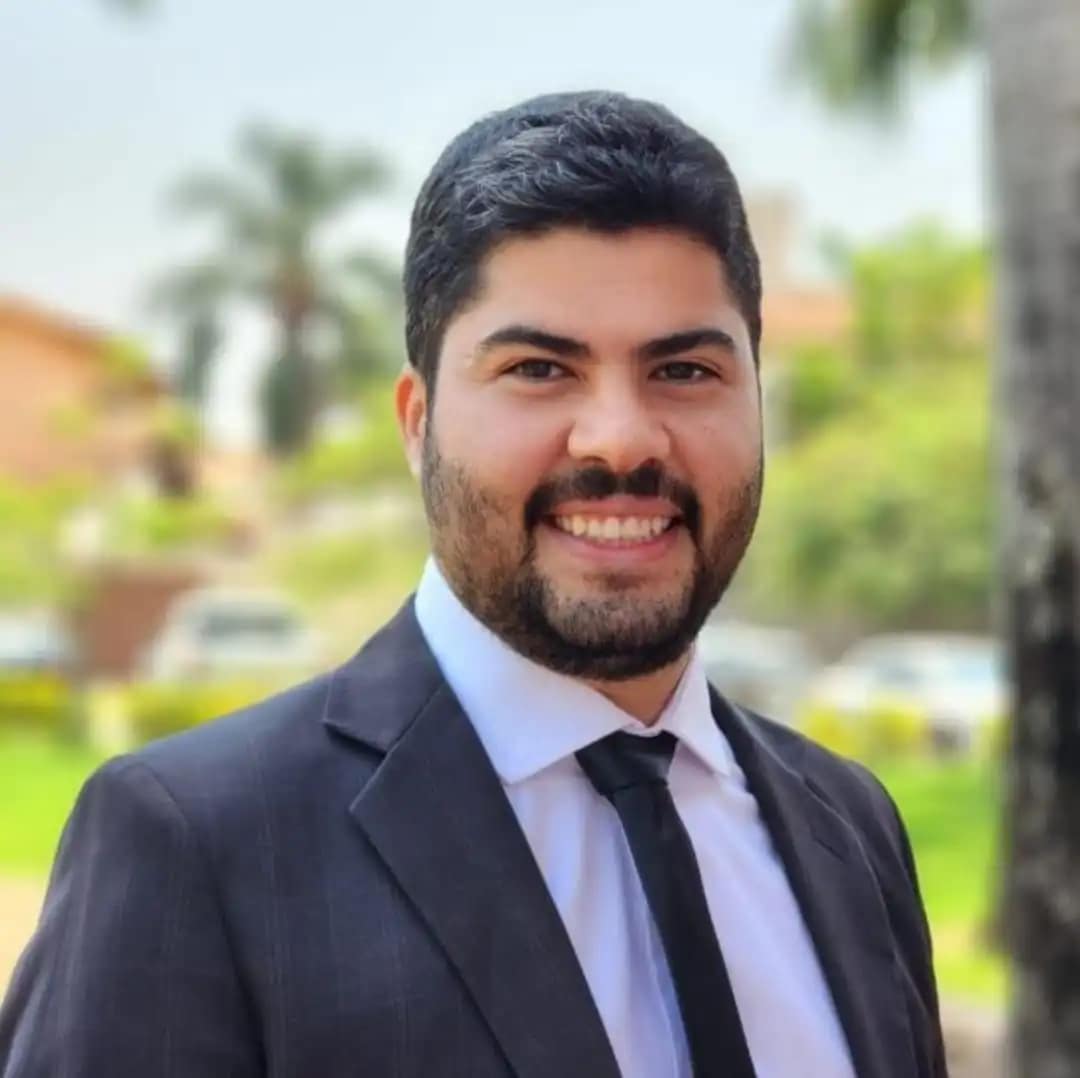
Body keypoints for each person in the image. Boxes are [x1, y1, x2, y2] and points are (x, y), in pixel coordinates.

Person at [0, 91, 947, 1078]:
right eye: (540, 369)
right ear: (419, 424)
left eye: (683, 371)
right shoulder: (199, 845)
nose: (620, 439)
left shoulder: (850, 828)